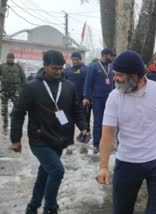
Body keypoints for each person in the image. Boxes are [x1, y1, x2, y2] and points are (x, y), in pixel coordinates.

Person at [96, 50, 156, 214]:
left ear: (135, 75)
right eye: (114, 74)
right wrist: (103, 166)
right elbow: (108, 134)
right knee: (121, 209)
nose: (115, 79)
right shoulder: (114, 97)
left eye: (119, 75)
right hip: (127, 161)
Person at [9, 50, 88, 214]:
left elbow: (77, 109)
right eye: (54, 68)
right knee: (57, 170)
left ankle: (33, 205)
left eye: (61, 68)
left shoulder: (68, 86)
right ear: (44, 66)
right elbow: (17, 113)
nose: (59, 71)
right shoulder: (31, 87)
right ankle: (50, 207)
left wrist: (83, 126)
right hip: (39, 138)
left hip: (60, 138)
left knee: (45, 171)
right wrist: (15, 139)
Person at [83, 48, 115, 153]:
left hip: (110, 99)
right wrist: (86, 97)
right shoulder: (93, 67)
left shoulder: (112, 66)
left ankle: (108, 142)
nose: (112, 58)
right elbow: (88, 83)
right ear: (104, 55)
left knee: (110, 121)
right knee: (98, 121)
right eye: (110, 56)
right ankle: (97, 144)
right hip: (97, 99)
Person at [64, 51, 91, 135]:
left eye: (77, 59)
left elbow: (90, 83)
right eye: (73, 59)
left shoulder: (87, 70)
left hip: (83, 99)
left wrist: (88, 97)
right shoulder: (67, 70)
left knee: (84, 117)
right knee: (67, 117)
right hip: (70, 98)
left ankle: (85, 134)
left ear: (80, 59)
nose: (75, 61)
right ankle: (67, 135)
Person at [0, 53, 26, 128]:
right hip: (4, 90)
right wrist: (2, 79)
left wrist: (23, 88)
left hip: (15, 90)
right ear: (7, 58)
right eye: (9, 58)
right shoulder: (2, 66)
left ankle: (12, 115)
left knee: (17, 105)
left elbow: (23, 78)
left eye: (11, 58)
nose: (10, 59)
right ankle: (5, 121)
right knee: (4, 107)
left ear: (13, 59)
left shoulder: (18, 66)